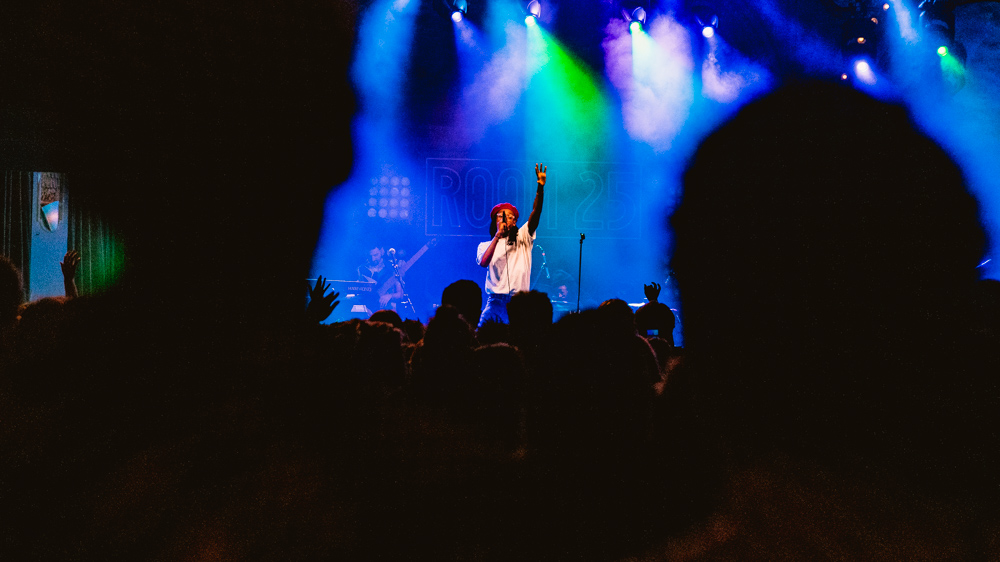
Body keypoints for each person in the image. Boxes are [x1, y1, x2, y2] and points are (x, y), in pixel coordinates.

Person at [476, 163, 546, 326]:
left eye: (510, 216)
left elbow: (536, 213)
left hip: (519, 302)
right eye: (501, 216)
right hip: (495, 302)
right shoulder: (485, 245)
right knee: (482, 337)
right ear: (495, 221)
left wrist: (540, 189)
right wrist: (498, 236)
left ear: (515, 222)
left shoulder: (523, 236)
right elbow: (483, 262)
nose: (505, 218)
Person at [358, 246, 403, 311]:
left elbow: (400, 295)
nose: (373, 259)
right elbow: (357, 293)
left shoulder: (392, 268)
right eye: (369, 256)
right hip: (368, 311)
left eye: (375, 255)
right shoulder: (361, 269)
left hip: (388, 311)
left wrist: (390, 296)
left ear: (382, 251)